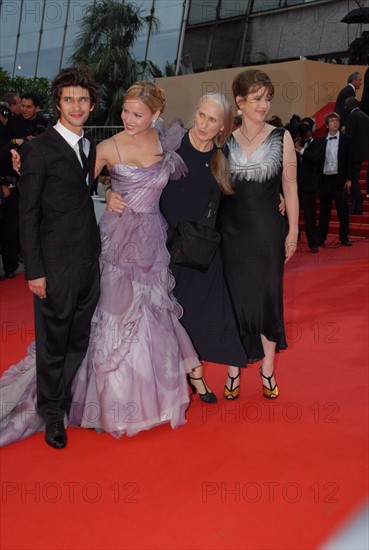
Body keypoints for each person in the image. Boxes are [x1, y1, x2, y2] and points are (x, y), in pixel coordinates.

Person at [1, 80, 198, 447]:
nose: (128, 118)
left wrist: (109, 191)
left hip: (147, 246)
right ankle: (59, 411)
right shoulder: (99, 147)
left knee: (131, 321)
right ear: (58, 104)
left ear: (155, 115)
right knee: (93, 325)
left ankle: (140, 399)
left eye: (137, 113)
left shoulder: (144, 144)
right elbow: (49, 199)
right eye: (125, 111)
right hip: (105, 247)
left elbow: (82, 187)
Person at [1, 66, 101, 449]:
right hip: (55, 265)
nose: (76, 106)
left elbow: (81, 197)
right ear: (58, 103)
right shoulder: (37, 148)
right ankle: (52, 413)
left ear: (91, 105)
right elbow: (28, 215)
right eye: (69, 99)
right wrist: (36, 271)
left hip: (89, 260)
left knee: (79, 337)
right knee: (52, 343)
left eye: (83, 99)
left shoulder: (89, 147)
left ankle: (65, 397)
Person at [219, 69, 299, 398]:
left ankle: (267, 371)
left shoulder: (283, 137)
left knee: (268, 301)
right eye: (256, 98)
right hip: (231, 236)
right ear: (239, 102)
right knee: (235, 302)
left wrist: (293, 230)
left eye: (267, 98)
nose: (263, 104)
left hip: (268, 233)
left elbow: (291, 187)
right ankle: (233, 370)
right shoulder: (222, 141)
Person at [317, 112, 352, 247]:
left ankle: (344, 237)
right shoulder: (321, 141)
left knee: (342, 211)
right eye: (332, 121)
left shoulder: (346, 140)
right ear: (327, 125)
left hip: (340, 180)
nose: (335, 123)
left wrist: (349, 179)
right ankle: (320, 238)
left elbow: (350, 161)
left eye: (337, 120)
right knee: (324, 212)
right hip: (325, 180)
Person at [294, 117, 323, 253]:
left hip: (309, 186)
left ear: (311, 129)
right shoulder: (293, 142)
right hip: (294, 185)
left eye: (306, 127)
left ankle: (313, 243)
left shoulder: (317, 143)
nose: (303, 129)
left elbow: (316, 158)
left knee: (310, 216)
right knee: (291, 214)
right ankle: (293, 239)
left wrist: (300, 150)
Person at [344, 97, 369, 215]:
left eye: (346, 105)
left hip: (353, 153)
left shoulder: (351, 117)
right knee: (356, 178)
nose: (345, 107)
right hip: (363, 152)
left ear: (350, 105)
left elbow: (350, 137)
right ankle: (358, 202)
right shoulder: (365, 116)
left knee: (354, 179)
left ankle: (357, 205)